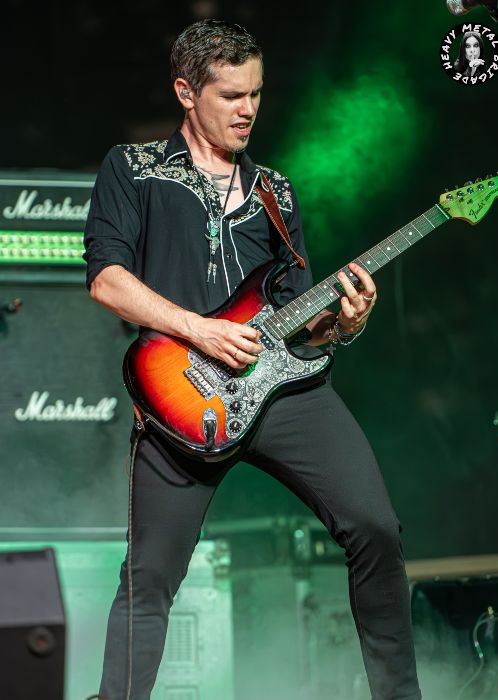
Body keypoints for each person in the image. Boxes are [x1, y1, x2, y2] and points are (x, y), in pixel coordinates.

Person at [83, 19, 421, 700]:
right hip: (182, 394)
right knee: (149, 576)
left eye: (256, 94)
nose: (248, 110)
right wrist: (200, 331)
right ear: (186, 92)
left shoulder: (277, 191)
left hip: (281, 393)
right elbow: (106, 281)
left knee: (375, 529)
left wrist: (343, 323)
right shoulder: (134, 168)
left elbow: (299, 318)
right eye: (231, 95)